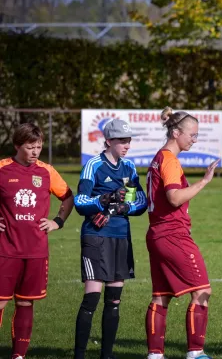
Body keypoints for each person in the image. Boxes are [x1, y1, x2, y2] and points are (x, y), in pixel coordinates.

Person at [145, 107, 220, 359]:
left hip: (156, 234)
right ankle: (195, 353)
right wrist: (204, 182)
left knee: (161, 296)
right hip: (172, 235)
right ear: (176, 132)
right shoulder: (169, 159)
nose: (194, 139)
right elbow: (175, 197)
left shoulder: (159, 157)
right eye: (192, 134)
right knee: (202, 291)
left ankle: (155, 355)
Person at [73, 119, 148, 359]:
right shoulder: (93, 165)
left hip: (120, 237)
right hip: (96, 237)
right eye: (122, 141)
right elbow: (80, 201)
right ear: (109, 141)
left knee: (114, 300)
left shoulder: (129, 167)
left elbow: (141, 202)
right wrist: (102, 201)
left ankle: (107, 355)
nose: (127, 145)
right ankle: (79, 355)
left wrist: (126, 208)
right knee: (92, 298)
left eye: (129, 140)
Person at [0, 122, 74, 359]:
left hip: (35, 251)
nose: (35, 152)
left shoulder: (46, 171)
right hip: (5, 250)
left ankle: (18, 355)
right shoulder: (2, 169)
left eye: (39, 147)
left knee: (25, 304)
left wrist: (57, 222)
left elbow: (68, 197)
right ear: (17, 145)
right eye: (30, 147)